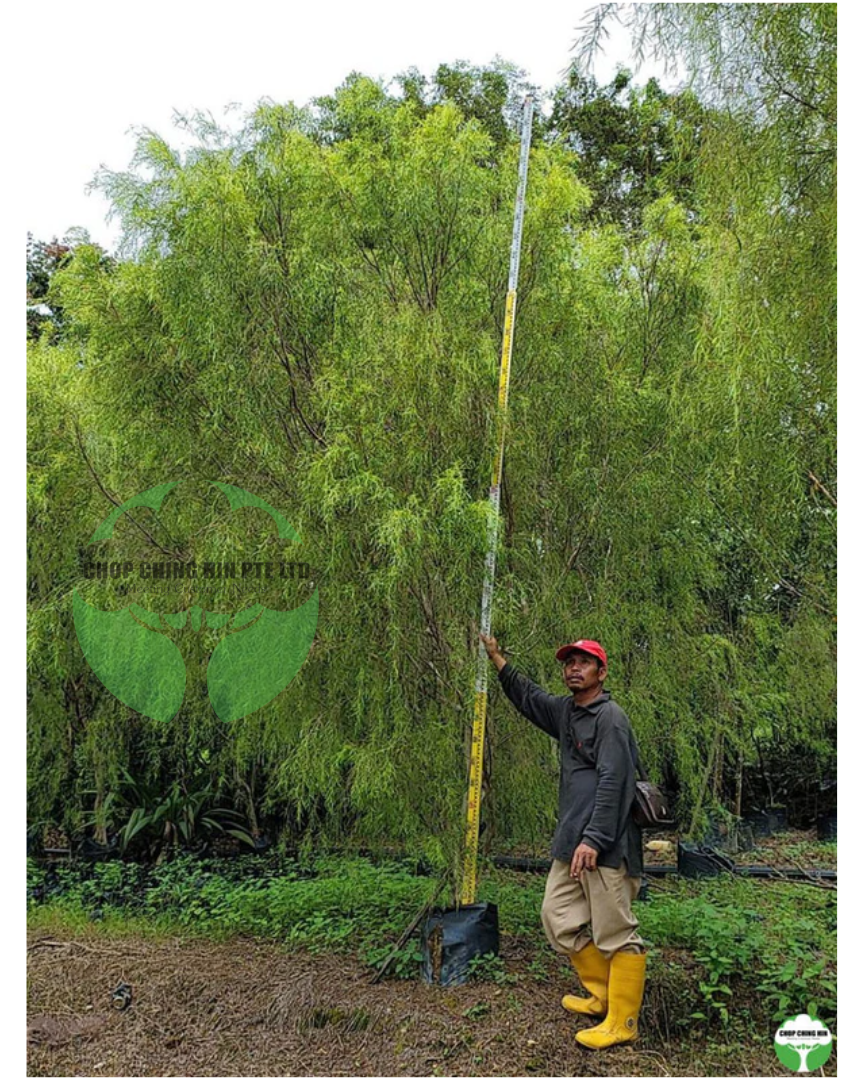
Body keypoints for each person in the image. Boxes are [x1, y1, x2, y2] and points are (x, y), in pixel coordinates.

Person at [480, 632, 647, 1050]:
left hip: (606, 845)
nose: (574, 668)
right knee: (557, 917)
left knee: (615, 932)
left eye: (584, 662)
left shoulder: (611, 719)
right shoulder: (567, 712)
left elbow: (615, 783)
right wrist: (497, 658)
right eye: (569, 662)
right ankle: (603, 996)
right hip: (573, 842)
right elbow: (529, 698)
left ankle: (623, 1022)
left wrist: (594, 839)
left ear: (601, 673)